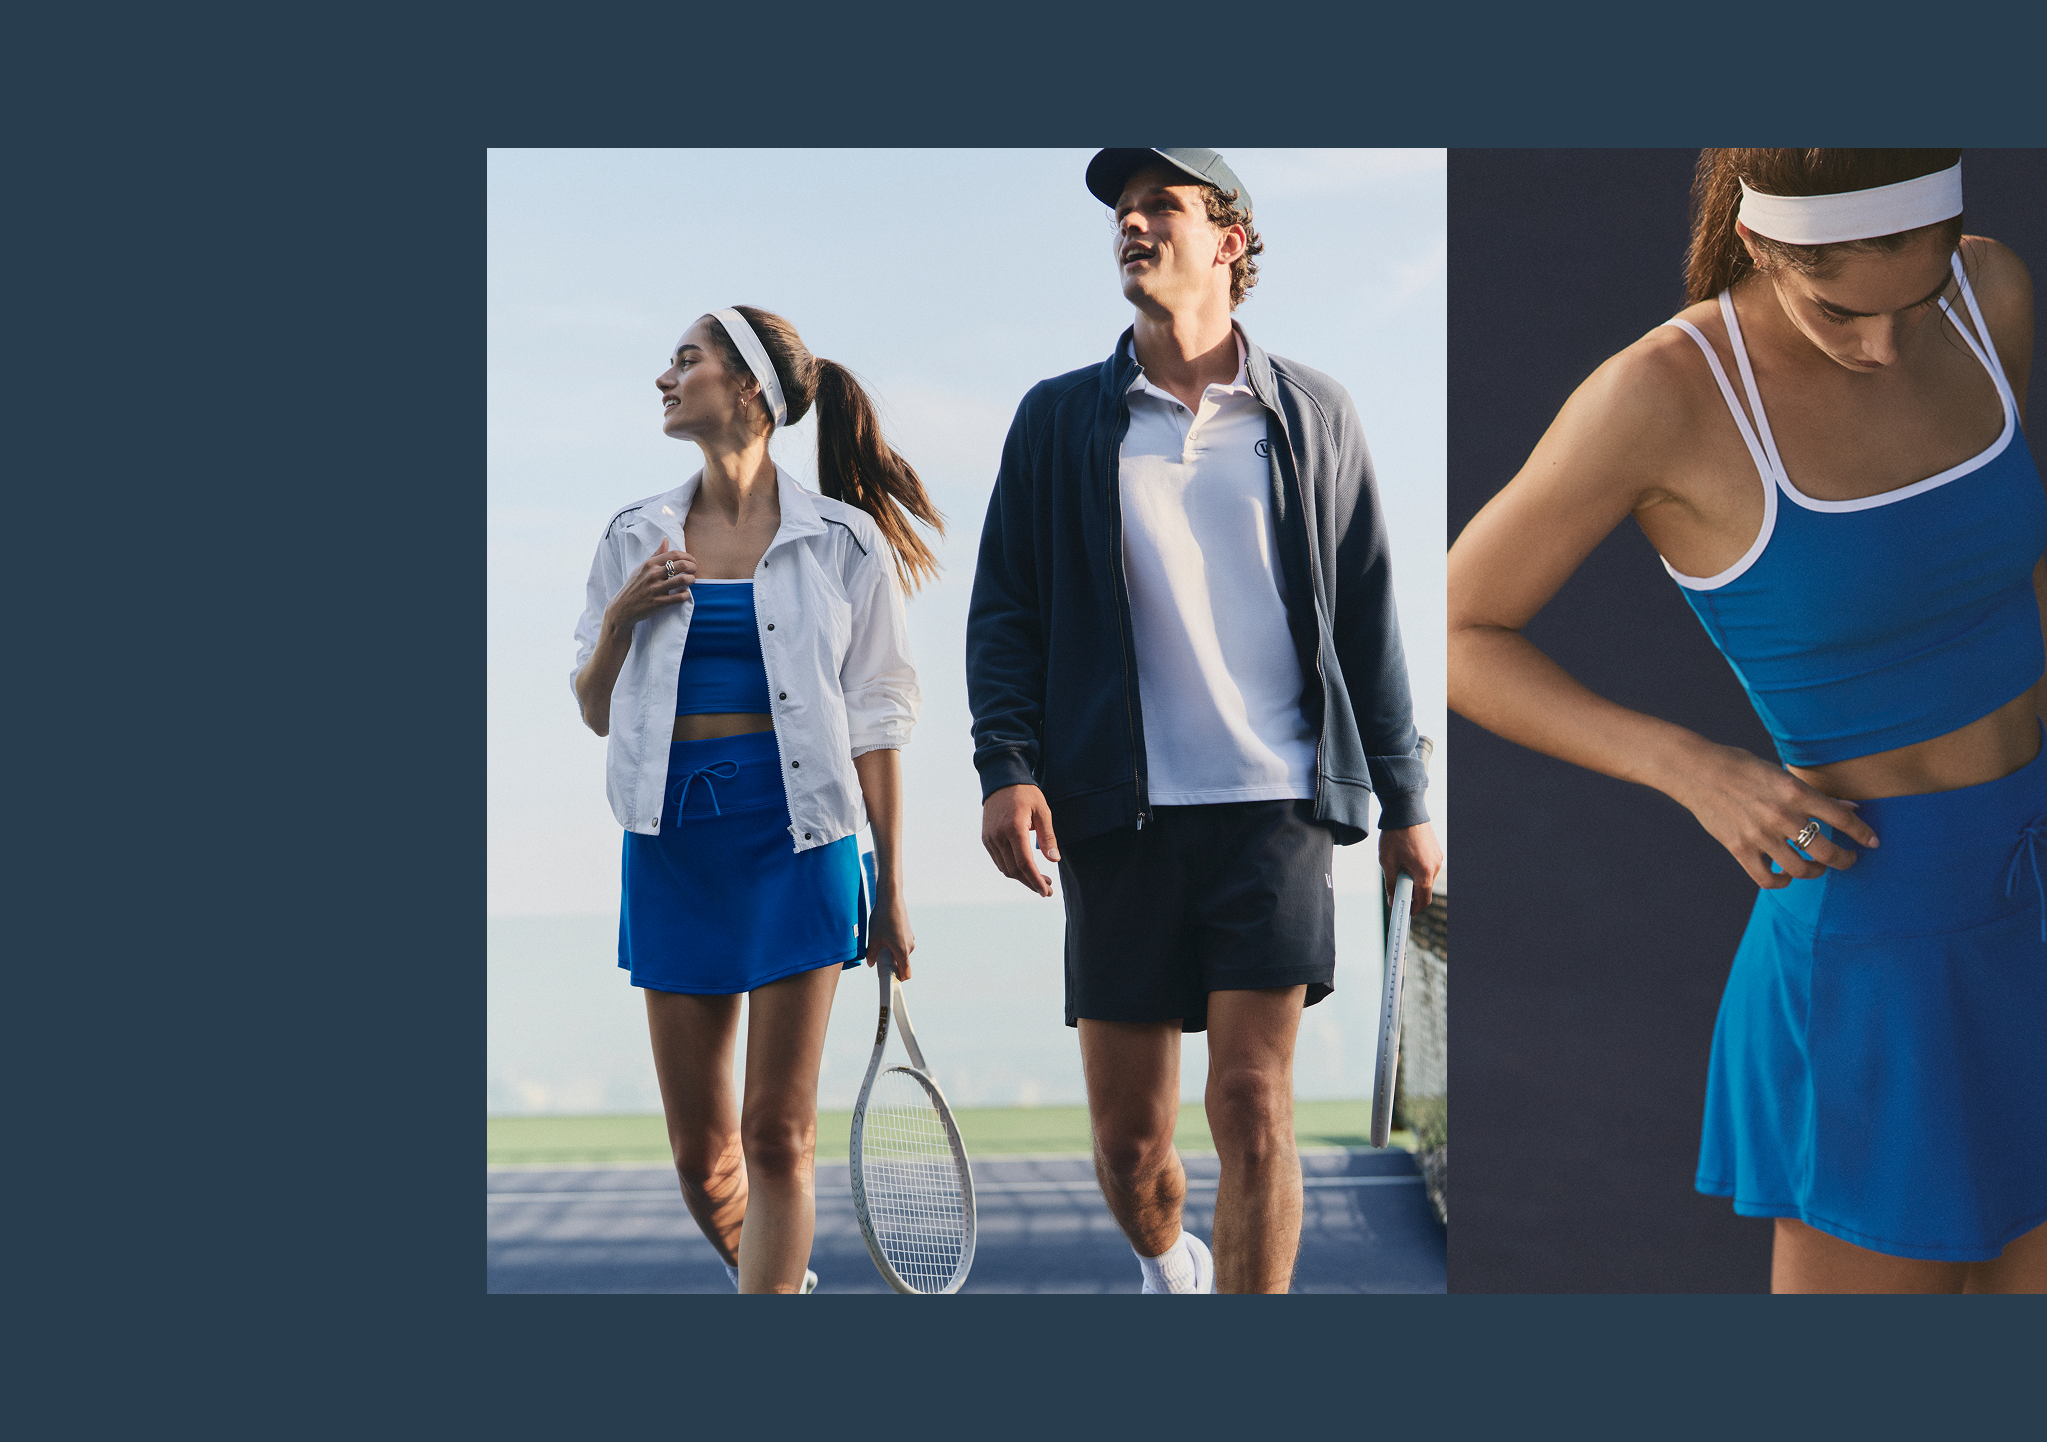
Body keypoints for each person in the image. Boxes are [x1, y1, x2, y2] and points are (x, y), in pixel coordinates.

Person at [1444, 150, 2047, 1293]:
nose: (1884, 346)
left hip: (2037, 901)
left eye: (1915, 299)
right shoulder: (1663, 394)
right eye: (1840, 310)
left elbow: (2009, 577)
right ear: (1760, 243)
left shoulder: (1990, 294)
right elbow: (1458, 627)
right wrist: (1690, 767)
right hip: (1872, 946)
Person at [967, 149, 1441, 1294]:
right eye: (1123, 213)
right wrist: (1006, 764)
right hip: (1113, 811)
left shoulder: (1314, 412)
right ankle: (1166, 1263)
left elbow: (1367, 612)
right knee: (1132, 1147)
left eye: (1161, 208)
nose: (1133, 226)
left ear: (1230, 239)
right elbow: (1006, 610)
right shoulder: (1055, 420)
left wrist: (1407, 801)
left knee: (1251, 1099)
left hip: (1277, 805)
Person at [570, 305, 940, 1294]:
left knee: (778, 1133)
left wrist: (893, 887)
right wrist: (621, 618)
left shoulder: (845, 543)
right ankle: (779, 1283)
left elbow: (878, 722)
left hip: (801, 846)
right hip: (673, 850)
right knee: (705, 1161)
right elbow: (594, 708)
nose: (665, 378)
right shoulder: (632, 535)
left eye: (685, 360)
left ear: (746, 390)